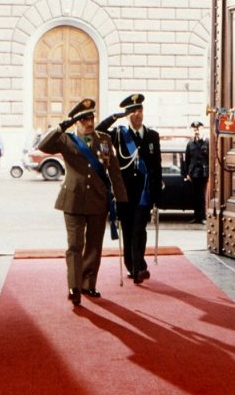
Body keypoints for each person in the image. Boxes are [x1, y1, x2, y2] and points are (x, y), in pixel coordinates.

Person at [37, 99, 128, 305]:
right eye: (84, 119)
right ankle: (74, 286)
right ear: (77, 121)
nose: (89, 122)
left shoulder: (104, 139)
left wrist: (122, 200)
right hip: (73, 200)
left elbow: (114, 171)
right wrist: (64, 125)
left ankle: (89, 284)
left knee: (94, 246)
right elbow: (43, 145)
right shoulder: (66, 140)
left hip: (98, 199)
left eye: (91, 117)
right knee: (75, 244)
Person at [96, 94, 162, 285]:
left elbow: (156, 167)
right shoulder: (118, 134)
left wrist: (157, 195)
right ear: (127, 115)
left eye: (139, 110)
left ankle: (138, 267)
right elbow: (99, 132)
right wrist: (114, 117)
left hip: (144, 192)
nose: (137, 115)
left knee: (139, 230)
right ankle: (132, 265)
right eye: (132, 112)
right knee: (128, 229)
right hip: (124, 192)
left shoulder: (152, 136)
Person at [183, 121, 209, 224]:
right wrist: (187, 174)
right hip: (193, 174)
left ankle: (202, 217)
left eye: (198, 129)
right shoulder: (190, 144)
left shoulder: (207, 142)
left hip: (203, 173)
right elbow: (187, 159)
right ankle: (196, 217)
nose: (196, 131)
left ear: (202, 130)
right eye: (194, 130)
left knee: (201, 196)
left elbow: (210, 159)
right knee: (195, 196)